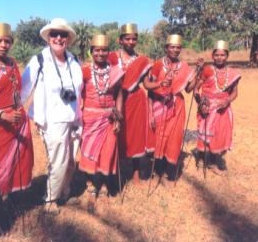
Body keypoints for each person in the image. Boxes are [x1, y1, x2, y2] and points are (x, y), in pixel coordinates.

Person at [21, 18, 83, 214]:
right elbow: (23, 91)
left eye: (62, 34)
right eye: (54, 34)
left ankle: (64, 191)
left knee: (72, 161)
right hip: (52, 121)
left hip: (74, 118)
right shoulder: (39, 60)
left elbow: (79, 90)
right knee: (59, 161)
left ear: (67, 38)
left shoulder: (74, 61)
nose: (58, 37)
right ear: (48, 37)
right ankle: (50, 199)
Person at [0, 23, 34, 209]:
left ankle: (13, 198)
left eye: (7, 41)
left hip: (17, 121)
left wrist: (18, 111)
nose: (3, 45)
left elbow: (16, 92)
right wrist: (3, 115)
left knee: (18, 163)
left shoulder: (12, 63)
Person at [144, 34, 198, 183]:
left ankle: (170, 170)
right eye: (172, 47)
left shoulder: (184, 67)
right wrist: (150, 113)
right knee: (159, 137)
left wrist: (197, 74)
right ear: (166, 48)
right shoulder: (157, 65)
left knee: (173, 138)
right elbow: (149, 88)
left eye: (178, 47)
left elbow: (188, 89)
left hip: (176, 107)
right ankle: (157, 169)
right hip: (158, 104)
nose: (175, 50)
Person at [107, 23, 153, 184]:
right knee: (116, 135)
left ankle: (135, 172)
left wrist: (162, 83)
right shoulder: (111, 57)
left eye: (134, 39)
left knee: (136, 136)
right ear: (120, 40)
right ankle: (116, 173)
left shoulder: (141, 60)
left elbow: (147, 84)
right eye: (127, 39)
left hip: (136, 100)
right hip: (115, 101)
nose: (131, 42)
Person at [79, 34, 124, 198]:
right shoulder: (84, 70)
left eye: (104, 50)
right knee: (88, 150)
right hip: (89, 118)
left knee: (108, 151)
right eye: (97, 50)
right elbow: (77, 93)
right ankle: (90, 181)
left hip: (109, 117)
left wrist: (118, 115)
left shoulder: (115, 71)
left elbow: (119, 93)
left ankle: (105, 182)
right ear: (91, 51)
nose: (101, 53)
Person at [194, 40, 240, 172]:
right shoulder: (207, 70)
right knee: (205, 133)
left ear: (227, 56)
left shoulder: (232, 74)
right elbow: (196, 89)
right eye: (217, 55)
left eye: (223, 55)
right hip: (207, 107)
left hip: (223, 109)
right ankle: (201, 158)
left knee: (219, 135)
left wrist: (227, 101)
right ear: (212, 55)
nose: (220, 58)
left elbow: (235, 92)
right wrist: (201, 104)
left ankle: (213, 162)